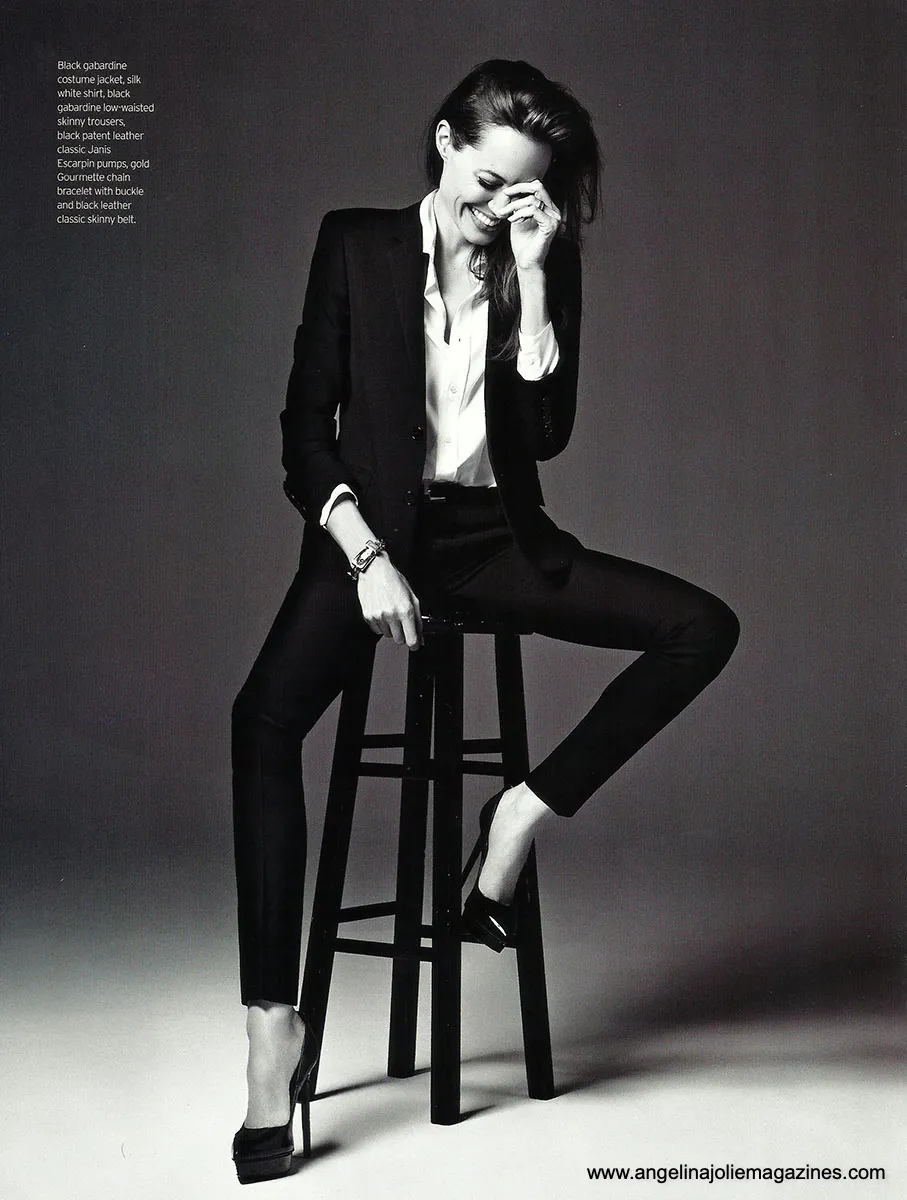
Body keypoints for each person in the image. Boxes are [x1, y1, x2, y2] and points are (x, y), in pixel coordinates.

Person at [230, 58, 740, 1181]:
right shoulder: (353, 245)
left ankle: (513, 820)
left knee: (701, 627)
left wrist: (537, 278)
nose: (498, 206)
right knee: (260, 722)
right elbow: (303, 437)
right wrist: (364, 554)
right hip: (369, 541)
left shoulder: (534, 258)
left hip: (494, 543)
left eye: (525, 192)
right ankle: (273, 1030)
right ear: (445, 144)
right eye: (487, 182)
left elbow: (546, 435)